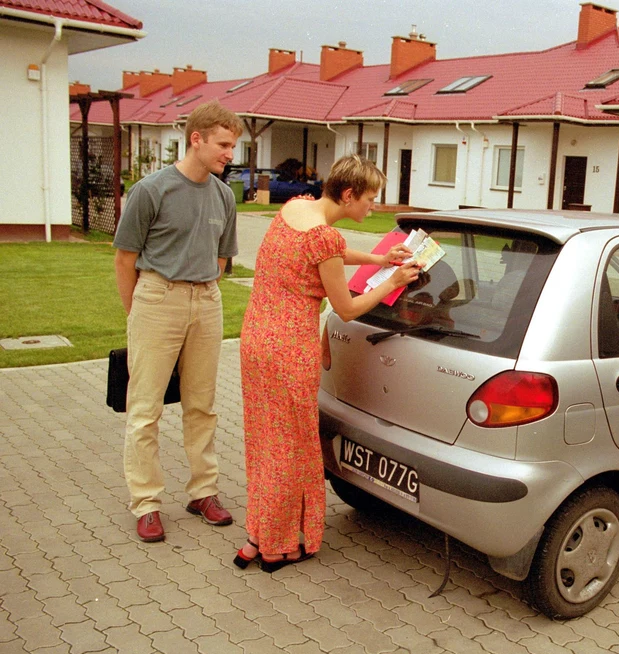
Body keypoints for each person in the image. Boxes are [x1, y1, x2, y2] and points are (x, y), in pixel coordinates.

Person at [234, 155, 420, 573]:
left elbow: (328, 256)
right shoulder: (324, 238)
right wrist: (392, 282)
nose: (372, 207)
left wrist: (379, 259)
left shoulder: (295, 208)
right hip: (290, 350)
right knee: (291, 446)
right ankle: (278, 547)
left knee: (264, 442)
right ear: (349, 194)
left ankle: (256, 537)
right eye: (370, 199)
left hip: (256, 342)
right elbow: (348, 309)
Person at [113, 101, 244, 542]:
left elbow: (224, 258)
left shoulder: (224, 196)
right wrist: (140, 313)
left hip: (207, 300)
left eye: (233, 145)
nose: (231, 154)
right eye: (224, 144)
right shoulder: (151, 190)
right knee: (145, 409)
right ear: (197, 138)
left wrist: (202, 292)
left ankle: (202, 491)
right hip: (157, 299)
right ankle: (147, 502)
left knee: (202, 405)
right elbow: (125, 258)